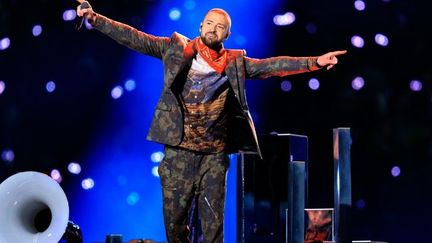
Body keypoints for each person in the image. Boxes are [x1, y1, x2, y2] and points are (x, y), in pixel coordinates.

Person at [76, 1, 347, 242]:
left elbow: (272, 66)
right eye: (209, 23)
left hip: (214, 155)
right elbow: (134, 38)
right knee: (175, 225)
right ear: (200, 25)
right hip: (179, 151)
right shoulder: (175, 49)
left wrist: (315, 62)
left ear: (227, 34)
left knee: (213, 226)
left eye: (220, 27)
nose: (213, 29)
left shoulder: (234, 63)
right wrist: (95, 18)